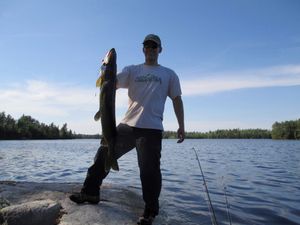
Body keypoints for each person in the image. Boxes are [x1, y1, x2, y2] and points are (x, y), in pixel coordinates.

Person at [69, 34, 185, 225]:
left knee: (149, 171)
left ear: (160, 50)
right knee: (103, 154)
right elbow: (110, 83)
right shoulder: (132, 70)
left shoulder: (169, 74)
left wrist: (181, 125)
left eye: (154, 46)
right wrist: (104, 69)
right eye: (147, 46)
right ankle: (90, 193)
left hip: (152, 129)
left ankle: (150, 212)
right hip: (127, 125)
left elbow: (177, 99)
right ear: (143, 50)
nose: (150, 49)